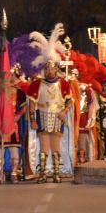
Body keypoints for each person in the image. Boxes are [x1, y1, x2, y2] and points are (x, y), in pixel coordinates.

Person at [27, 23, 72, 183]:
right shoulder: (36, 84)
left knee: (56, 147)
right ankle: (43, 173)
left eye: (51, 68)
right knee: (43, 147)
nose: (49, 71)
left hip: (57, 115)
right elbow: (32, 103)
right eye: (46, 68)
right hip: (43, 115)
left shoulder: (63, 84)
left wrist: (64, 111)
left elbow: (69, 101)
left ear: (55, 69)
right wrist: (32, 119)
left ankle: (56, 173)